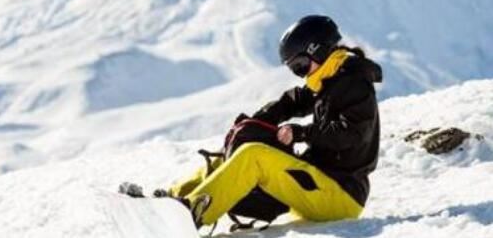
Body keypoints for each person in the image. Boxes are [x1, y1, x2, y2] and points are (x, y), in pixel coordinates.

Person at [163, 15, 383, 228]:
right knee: (233, 154)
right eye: (295, 69)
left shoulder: (353, 83)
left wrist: (302, 133)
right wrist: (256, 121)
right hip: (320, 182)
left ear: (318, 50)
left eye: (301, 65)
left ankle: (190, 217)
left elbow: (351, 134)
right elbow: (292, 102)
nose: (301, 74)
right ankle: (168, 203)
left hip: (340, 196)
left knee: (253, 155)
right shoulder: (328, 78)